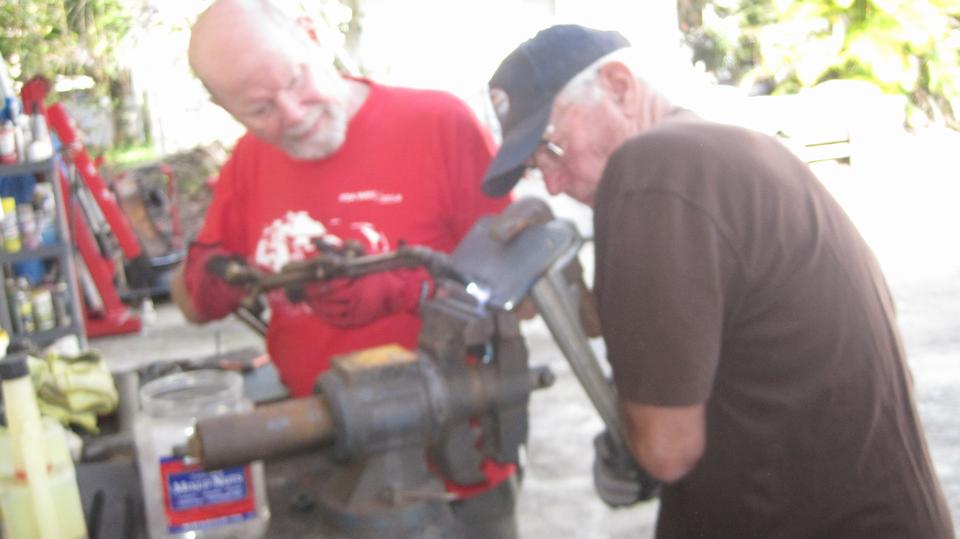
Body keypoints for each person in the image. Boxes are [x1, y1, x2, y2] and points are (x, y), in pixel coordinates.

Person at [482, 24, 955, 538]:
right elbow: (658, 331)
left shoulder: (653, 170)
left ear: (620, 87)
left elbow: (665, 450)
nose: (553, 184)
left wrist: (630, 437)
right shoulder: (708, 156)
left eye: (551, 147)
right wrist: (561, 273)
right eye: (536, 168)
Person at [170, 0, 517, 536]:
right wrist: (206, 282)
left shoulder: (437, 124)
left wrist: (406, 290)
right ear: (225, 108)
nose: (292, 114)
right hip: (323, 463)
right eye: (259, 109)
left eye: (295, 81)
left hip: (452, 469)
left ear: (311, 35)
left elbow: (525, 294)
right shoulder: (248, 162)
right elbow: (192, 303)